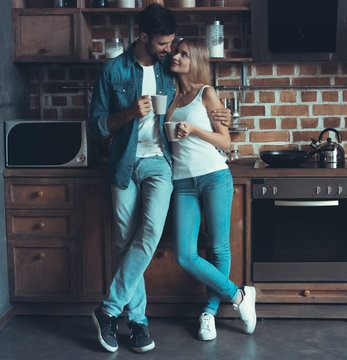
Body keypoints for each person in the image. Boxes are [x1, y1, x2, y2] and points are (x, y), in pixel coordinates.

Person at [88, 4, 231, 353]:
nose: (169, 50)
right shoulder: (113, 70)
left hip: (161, 164)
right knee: (125, 243)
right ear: (144, 38)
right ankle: (137, 321)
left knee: (149, 234)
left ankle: (107, 310)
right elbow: (96, 126)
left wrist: (220, 112)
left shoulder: (170, 70)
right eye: (164, 44)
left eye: (172, 45)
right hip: (123, 164)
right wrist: (127, 114)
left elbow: (198, 91)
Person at [166, 38, 256, 341]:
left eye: (183, 54)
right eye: (176, 52)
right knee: (184, 255)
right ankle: (240, 296)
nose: (176, 57)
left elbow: (225, 142)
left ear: (196, 61)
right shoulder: (171, 96)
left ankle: (209, 312)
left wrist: (194, 130)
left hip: (214, 176)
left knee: (219, 248)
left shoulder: (207, 93)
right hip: (182, 182)